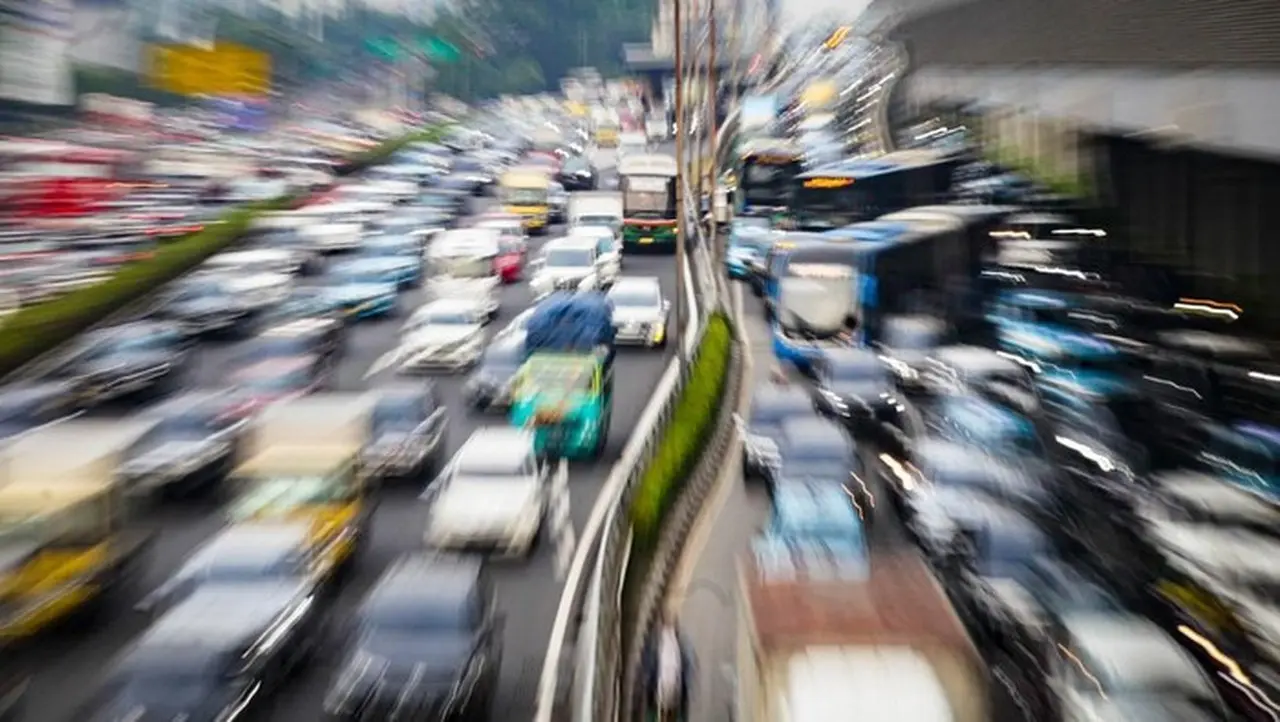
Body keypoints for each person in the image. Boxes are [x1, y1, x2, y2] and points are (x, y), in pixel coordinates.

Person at [640, 611, 695, 721]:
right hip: (663, 694)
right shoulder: (657, 643)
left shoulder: (678, 643)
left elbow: (688, 668)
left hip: (668, 694)